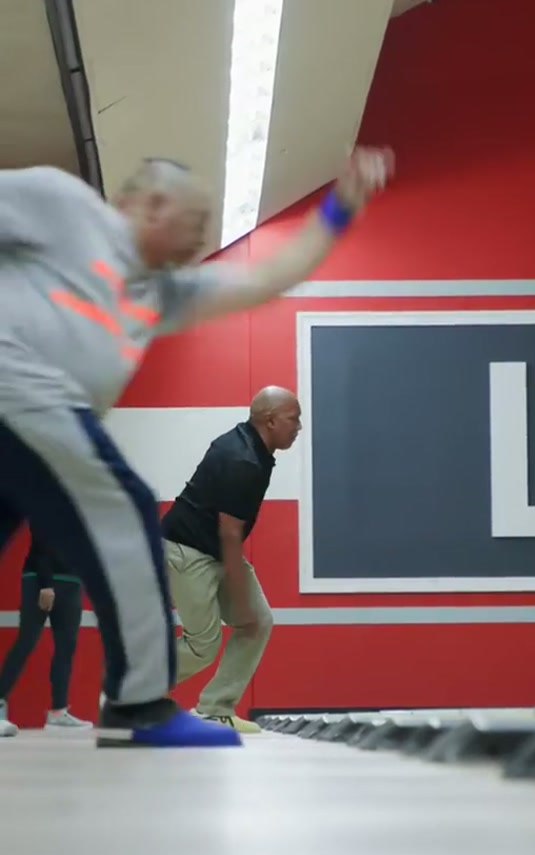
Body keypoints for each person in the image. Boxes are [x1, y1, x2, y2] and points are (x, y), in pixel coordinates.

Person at [0, 146, 394, 747]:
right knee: (125, 511)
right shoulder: (62, 204)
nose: (203, 235)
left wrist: (339, 211)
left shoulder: (159, 292)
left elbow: (263, 280)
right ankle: (138, 705)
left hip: (25, 429)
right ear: (154, 204)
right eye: (197, 219)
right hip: (22, 389)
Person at [162, 387, 300, 733]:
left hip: (212, 549)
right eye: (293, 419)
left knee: (256, 622)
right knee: (202, 644)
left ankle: (214, 709)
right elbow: (229, 533)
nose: (298, 427)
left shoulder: (251, 446)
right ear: (270, 421)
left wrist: (241, 598)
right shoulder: (244, 460)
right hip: (186, 550)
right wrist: (238, 592)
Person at [0, 528, 92, 737]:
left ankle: (58, 712)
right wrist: (46, 584)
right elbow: (42, 541)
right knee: (26, 641)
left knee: (66, 648)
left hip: (72, 581)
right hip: (40, 579)